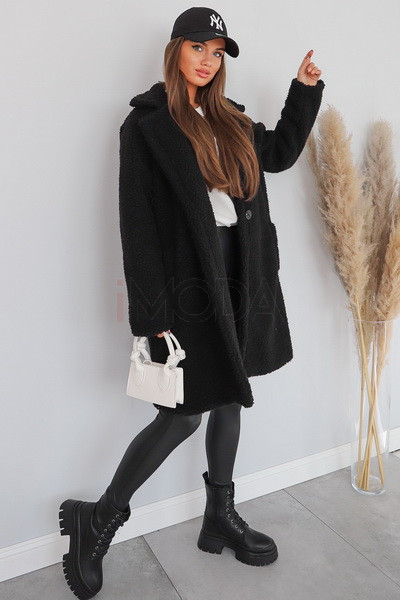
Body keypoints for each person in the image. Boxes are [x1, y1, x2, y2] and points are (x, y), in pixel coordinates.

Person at [59, 6, 324, 599]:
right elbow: (138, 228)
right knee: (182, 413)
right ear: (176, 48)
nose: (207, 60)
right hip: (189, 283)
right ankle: (98, 518)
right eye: (198, 47)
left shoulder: (231, 118)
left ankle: (219, 517)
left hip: (243, 271)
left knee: (232, 392)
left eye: (217, 51)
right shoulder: (146, 126)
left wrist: (303, 91)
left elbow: (279, 154)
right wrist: (153, 319)